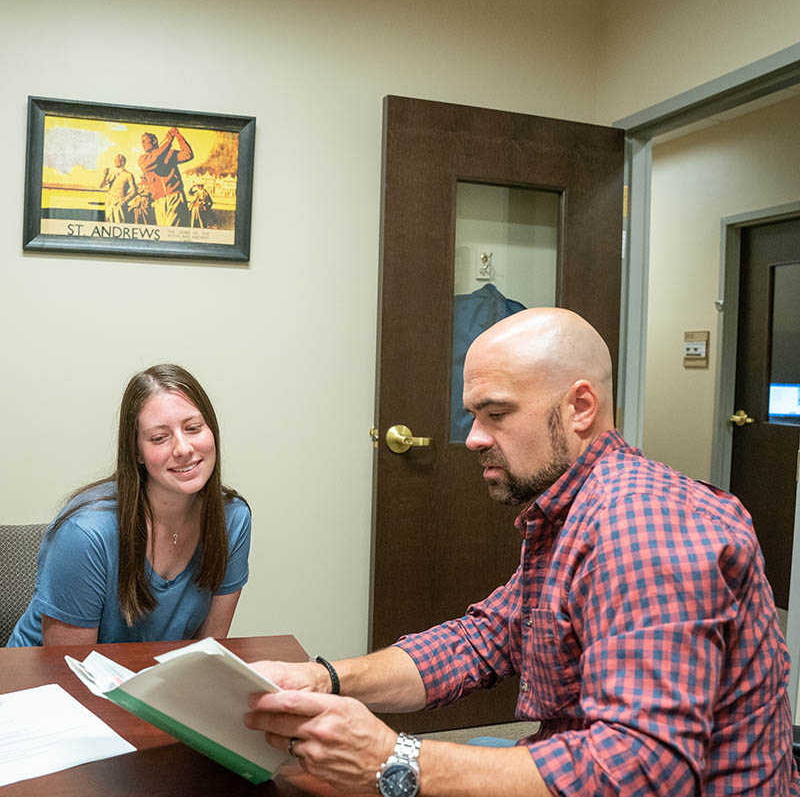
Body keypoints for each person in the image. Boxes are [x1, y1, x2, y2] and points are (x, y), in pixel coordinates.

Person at [245, 307, 798, 796]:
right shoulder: (573, 509)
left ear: (580, 406)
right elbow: (480, 642)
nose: (473, 437)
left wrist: (396, 761)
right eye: (473, 415)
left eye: (497, 414)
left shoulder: (641, 524)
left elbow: (642, 771)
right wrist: (324, 678)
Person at [7, 364, 250, 647]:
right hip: (42, 684)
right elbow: (68, 668)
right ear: (137, 452)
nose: (183, 449)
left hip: (146, 682)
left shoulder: (233, 518)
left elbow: (208, 651)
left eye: (193, 428)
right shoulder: (85, 533)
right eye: (159, 438)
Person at [138, 127, 194, 226]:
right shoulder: (143, 159)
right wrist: (168, 141)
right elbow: (155, 159)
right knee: (163, 231)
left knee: (171, 229)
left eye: (144, 141)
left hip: (174, 196)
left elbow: (188, 154)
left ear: (154, 141)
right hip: (159, 200)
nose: (142, 144)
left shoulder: (170, 153)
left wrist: (178, 136)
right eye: (141, 142)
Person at [99, 153, 137, 223]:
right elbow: (101, 186)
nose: (114, 161)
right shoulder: (112, 174)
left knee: (119, 223)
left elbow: (134, 191)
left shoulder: (128, 175)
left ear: (122, 162)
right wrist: (105, 175)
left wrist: (123, 201)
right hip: (109, 203)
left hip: (119, 204)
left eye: (116, 160)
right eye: (114, 160)